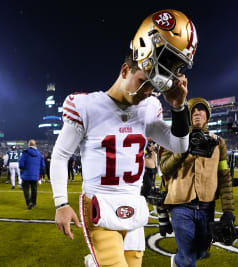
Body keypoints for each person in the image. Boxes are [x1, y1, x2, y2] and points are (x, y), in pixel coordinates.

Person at [50, 9, 196, 267]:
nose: (147, 91)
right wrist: (61, 202)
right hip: (99, 204)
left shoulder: (150, 108)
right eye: (143, 80)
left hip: (133, 206)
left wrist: (178, 108)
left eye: (153, 86)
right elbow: (61, 155)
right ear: (125, 69)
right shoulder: (86, 105)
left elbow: (180, 145)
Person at [159, 97, 235, 267]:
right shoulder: (173, 138)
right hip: (181, 205)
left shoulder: (218, 142)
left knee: (201, 251)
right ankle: (181, 260)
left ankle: (177, 261)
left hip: (207, 206)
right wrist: (183, 149)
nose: (196, 113)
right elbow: (164, 168)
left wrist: (228, 210)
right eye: (192, 111)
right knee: (187, 258)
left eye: (201, 110)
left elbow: (224, 176)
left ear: (207, 115)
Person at [19, 140, 45, 209]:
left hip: (26, 175)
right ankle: (33, 203)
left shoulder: (25, 153)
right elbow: (43, 165)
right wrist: (37, 171)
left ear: (29, 145)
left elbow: (21, 164)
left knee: (26, 189)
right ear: (35, 145)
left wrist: (24, 168)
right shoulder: (39, 154)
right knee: (34, 190)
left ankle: (29, 203)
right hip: (35, 175)